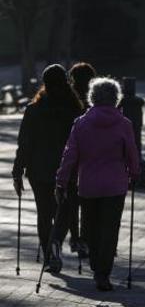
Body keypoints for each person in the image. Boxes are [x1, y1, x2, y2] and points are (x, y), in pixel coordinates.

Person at [55, 77, 140, 291]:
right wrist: (134, 173)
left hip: (89, 185)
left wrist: (61, 181)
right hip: (115, 185)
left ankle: (95, 263)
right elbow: (132, 153)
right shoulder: (124, 124)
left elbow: (70, 155)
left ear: (92, 97)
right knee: (110, 229)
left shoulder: (81, 123)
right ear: (116, 98)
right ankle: (103, 272)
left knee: (90, 227)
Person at [12, 64, 83, 273]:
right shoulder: (75, 110)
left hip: (38, 170)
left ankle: (50, 255)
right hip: (67, 170)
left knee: (44, 213)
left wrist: (17, 172)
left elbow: (24, 143)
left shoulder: (34, 110)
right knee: (64, 211)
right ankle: (56, 243)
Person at [65, 61, 97, 259]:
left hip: (71, 156)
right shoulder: (94, 99)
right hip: (90, 158)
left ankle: (75, 237)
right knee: (87, 202)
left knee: (71, 202)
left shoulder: (69, 98)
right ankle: (85, 239)